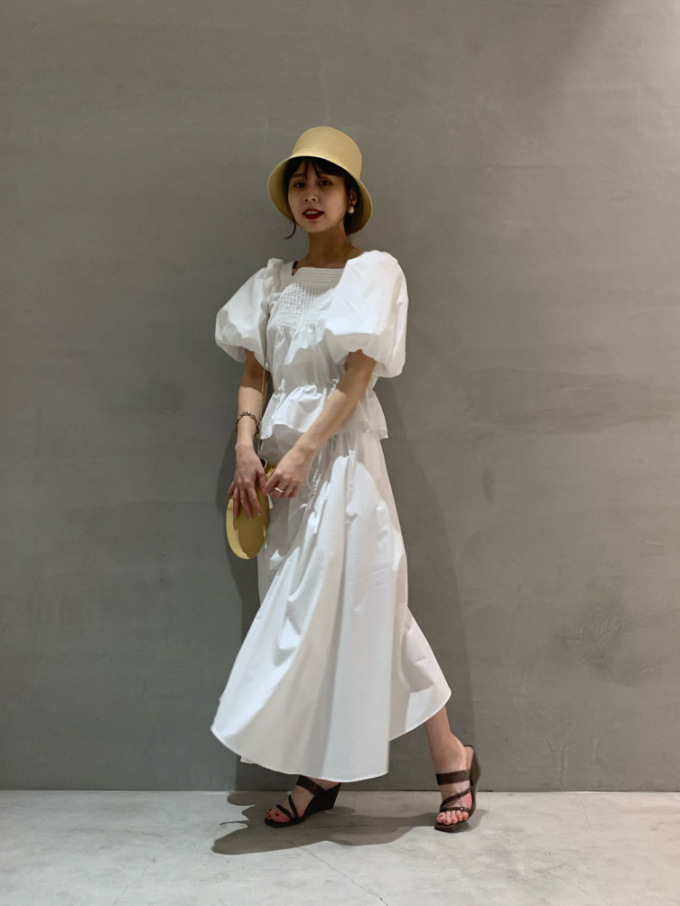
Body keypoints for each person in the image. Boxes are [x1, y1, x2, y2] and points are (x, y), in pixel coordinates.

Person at [210, 126, 481, 832]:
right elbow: (254, 373)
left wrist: (304, 452)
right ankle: (339, 766)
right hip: (277, 476)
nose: (310, 195)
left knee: (363, 604)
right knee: (320, 615)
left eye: (324, 183)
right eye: (299, 183)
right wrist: (246, 445)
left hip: (341, 463)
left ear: (351, 197)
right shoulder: (272, 283)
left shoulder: (374, 273)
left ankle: (427, 758)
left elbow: (358, 377)